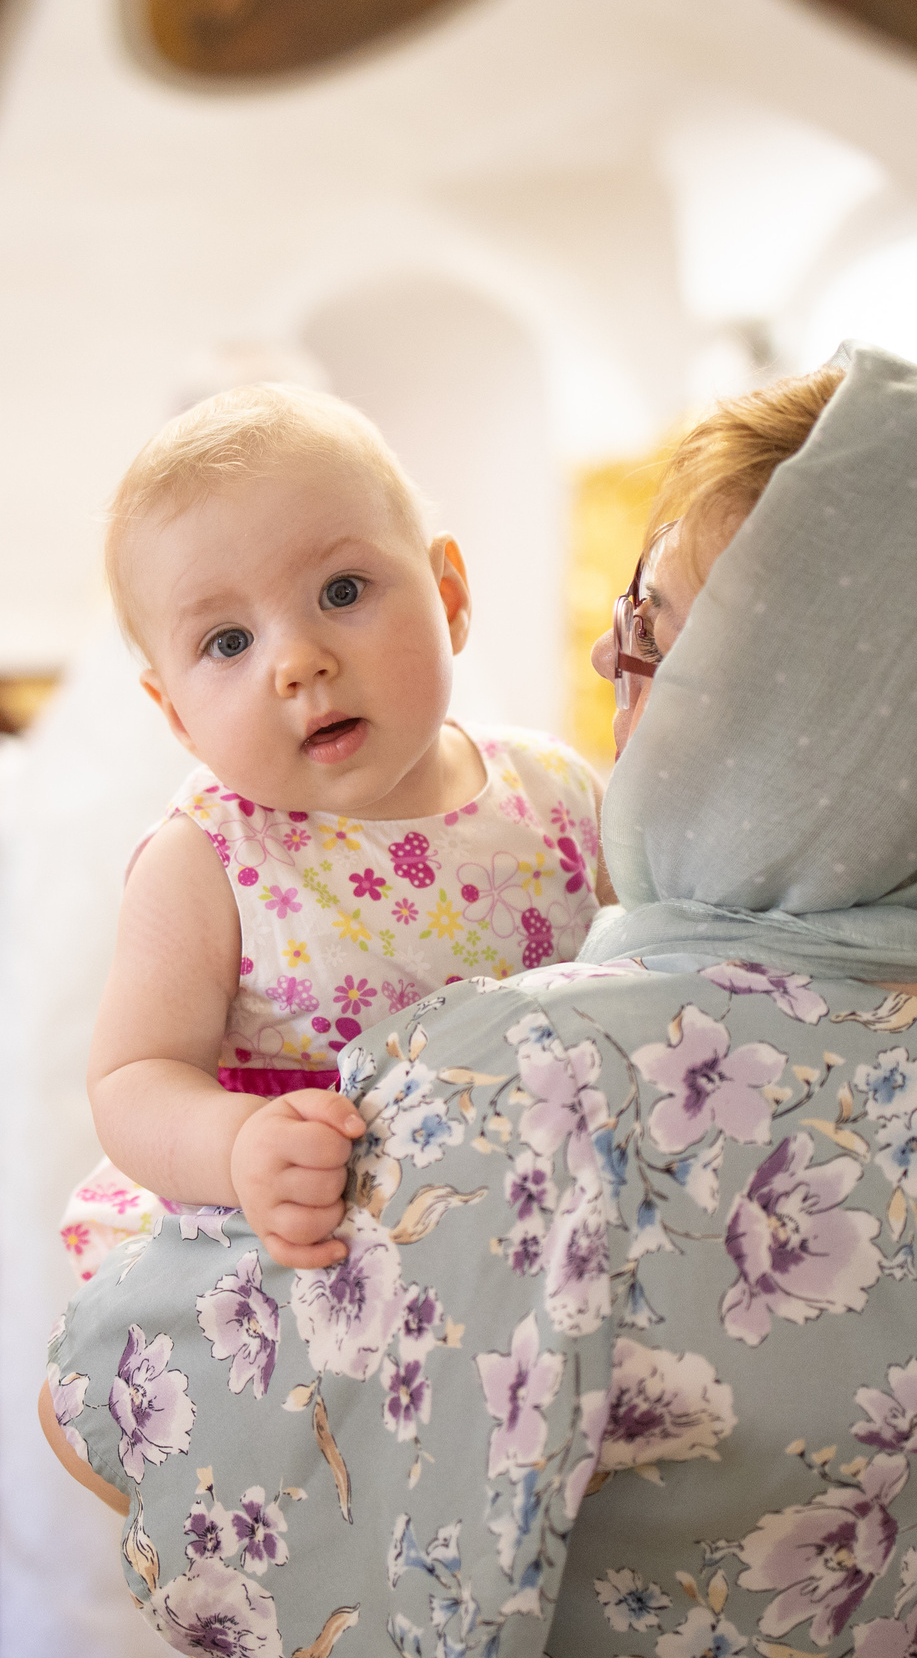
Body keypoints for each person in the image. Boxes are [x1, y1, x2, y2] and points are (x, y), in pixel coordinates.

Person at [43, 345, 917, 1658]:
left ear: (830, 700)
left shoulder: (560, 1082)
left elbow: (139, 1428)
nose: (612, 660)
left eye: (658, 635)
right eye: (228, 640)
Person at [66, 386, 606, 1281]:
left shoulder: (556, 792)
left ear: (449, 595)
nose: (297, 660)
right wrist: (238, 1145)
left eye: (341, 590)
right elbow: (133, 1079)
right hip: (320, 1260)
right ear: (177, 717)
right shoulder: (208, 860)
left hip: (543, 1237)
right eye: (230, 641)